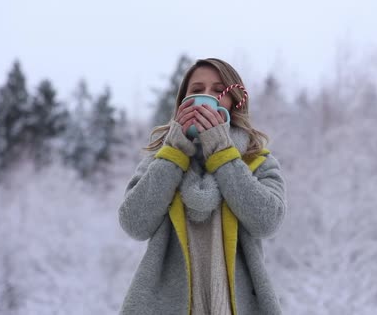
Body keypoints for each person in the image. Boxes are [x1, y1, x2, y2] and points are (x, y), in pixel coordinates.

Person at [117, 58, 287, 315]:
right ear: (182, 103)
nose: (206, 97)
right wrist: (174, 151)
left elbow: (268, 222)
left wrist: (221, 151)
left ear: (233, 101)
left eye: (219, 91)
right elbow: (134, 223)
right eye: (196, 90)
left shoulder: (257, 160)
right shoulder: (160, 159)